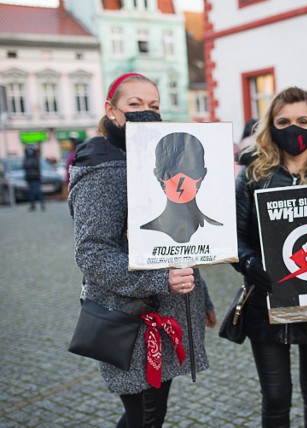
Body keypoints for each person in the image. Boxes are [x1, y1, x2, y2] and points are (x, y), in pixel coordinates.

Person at [68, 72, 217, 427]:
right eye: (134, 105)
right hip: (131, 319)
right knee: (145, 417)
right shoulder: (103, 168)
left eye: (153, 106)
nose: (145, 112)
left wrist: (202, 296)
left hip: (165, 309)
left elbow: (176, 239)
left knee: (150, 414)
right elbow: (93, 253)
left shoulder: (154, 157)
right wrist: (161, 280)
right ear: (111, 110)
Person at [235, 86, 307, 427]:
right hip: (267, 303)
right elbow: (235, 236)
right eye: (284, 121)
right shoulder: (253, 175)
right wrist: (249, 263)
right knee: (275, 396)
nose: (294, 129)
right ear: (271, 126)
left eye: (303, 120)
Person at [140, 132, 222, 243]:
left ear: (203, 173)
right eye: (171, 171)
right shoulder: (143, 235)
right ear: (156, 174)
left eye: (189, 169)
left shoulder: (219, 232)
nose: (181, 179)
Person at [23, 146, 45, 211]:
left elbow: (35, 166)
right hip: (29, 178)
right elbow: (24, 166)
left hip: (35, 177)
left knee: (38, 191)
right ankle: (32, 205)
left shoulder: (35, 158)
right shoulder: (26, 158)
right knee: (30, 192)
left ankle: (42, 204)